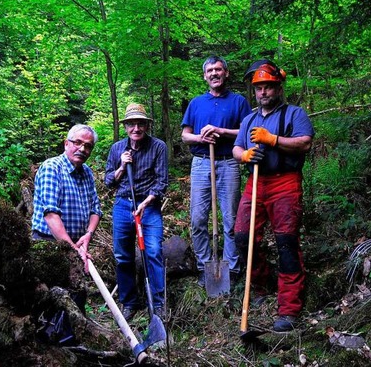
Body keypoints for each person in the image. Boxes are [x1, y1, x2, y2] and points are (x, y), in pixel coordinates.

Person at [233, 61, 314, 332]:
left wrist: (273, 140)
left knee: (286, 242)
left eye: (268, 87)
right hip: (256, 183)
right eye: (259, 88)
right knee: (243, 237)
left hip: (285, 182)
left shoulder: (294, 113)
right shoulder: (249, 120)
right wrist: (243, 154)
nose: (263, 92)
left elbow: (305, 142)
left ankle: (289, 308)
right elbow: (236, 148)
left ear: (278, 89)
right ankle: (260, 285)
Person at [181, 56, 252, 288]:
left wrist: (221, 131)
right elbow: (185, 135)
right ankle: (204, 266)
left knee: (230, 218)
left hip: (228, 162)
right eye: (210, 70)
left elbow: (246, 131)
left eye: (218, 70)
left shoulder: (239, 101)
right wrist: (201, 137)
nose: (214, 74)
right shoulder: (196, 103)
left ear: (226, 73)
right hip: (201, 163)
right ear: (205, 76)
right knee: (198, 218)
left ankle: (231, 267)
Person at [105, 103, 169, 321]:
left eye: (140, 124)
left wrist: (147, 202)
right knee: (123, 256)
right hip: (123, 205)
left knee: (152, 252)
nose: (136, 128)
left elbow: (162, 183)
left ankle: (159, 304)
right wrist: (122, 167)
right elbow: (107, 182)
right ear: (125, 127)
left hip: (148, 206)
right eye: (132, 124)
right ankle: (130, 302)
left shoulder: (158, 147)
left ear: (146, 126)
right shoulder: (117, 149)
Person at [31, 124, 102, 268]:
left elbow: (96, 209)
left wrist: (88, 234)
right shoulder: (52, 167)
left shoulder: (87, 172)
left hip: (78, 243)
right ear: (66, 143)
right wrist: (72, 249)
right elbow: (50, 214)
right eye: (77, 143)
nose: (82, 149)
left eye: (88, 146)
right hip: (48, 244)